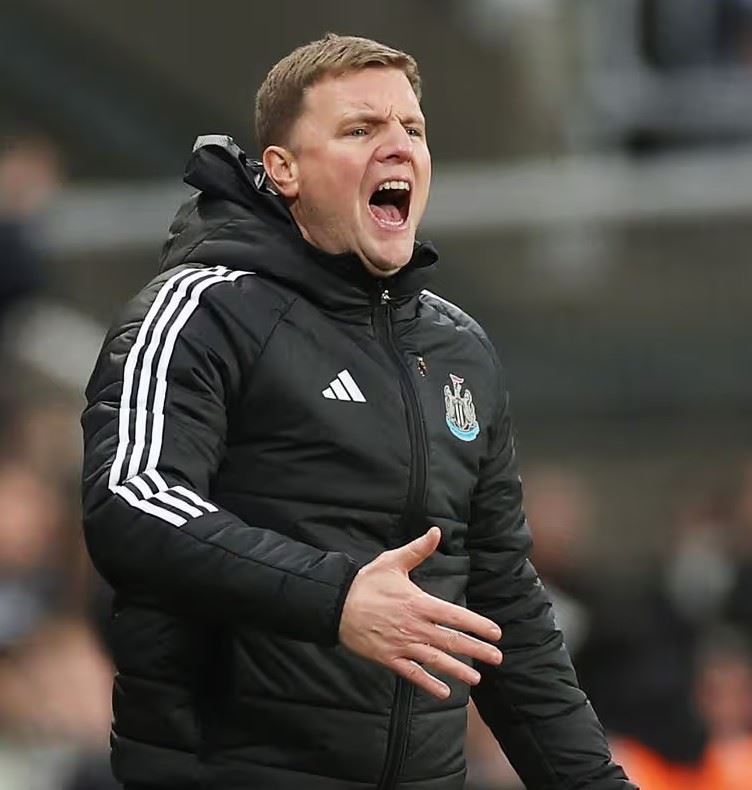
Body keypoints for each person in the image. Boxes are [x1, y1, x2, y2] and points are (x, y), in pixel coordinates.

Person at [80, 34, 633, 790]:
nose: (397, 145)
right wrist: (335, 598)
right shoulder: (201, 310)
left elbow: (501, 600)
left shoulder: (458, 349)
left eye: (412, 128)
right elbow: (130, 502)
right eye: (360, 129)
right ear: (284, 169)